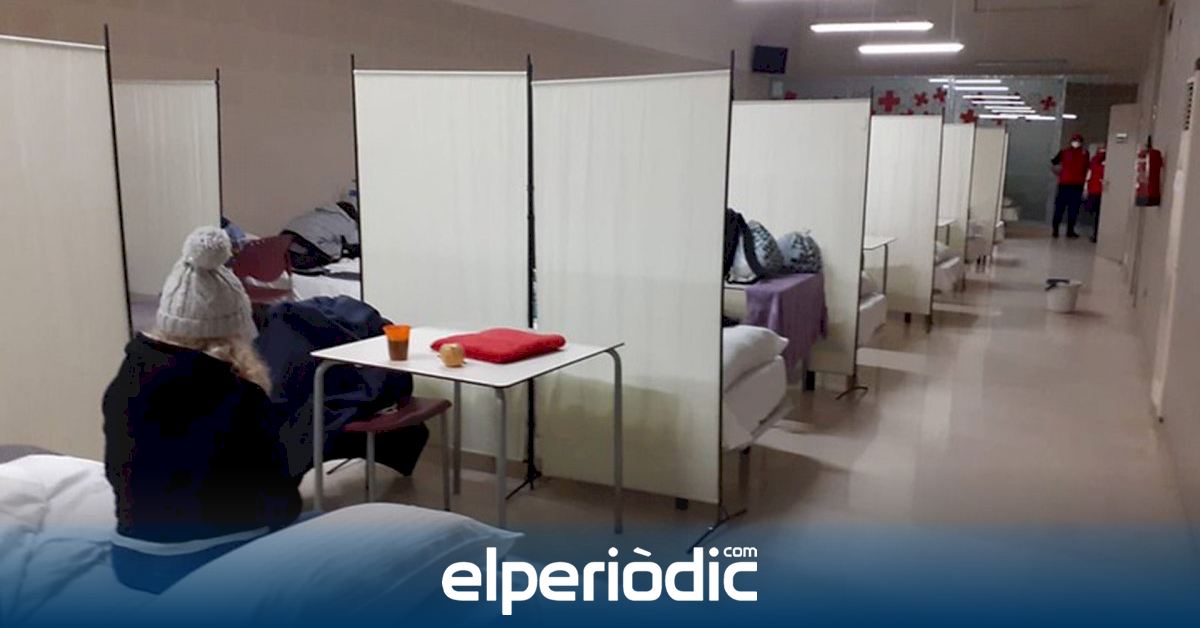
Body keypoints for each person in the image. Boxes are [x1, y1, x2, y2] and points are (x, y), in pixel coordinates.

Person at [103, 226, 301, 593]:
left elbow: (118, 472)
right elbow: (281, 500)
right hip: (214, 562)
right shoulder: (241, 396)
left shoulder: (123, 385)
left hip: (129, 559)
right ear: (236, 329)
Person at [1050, 134, 1090, 239]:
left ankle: (1069, 231)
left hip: (1076, 185)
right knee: (1061, 209)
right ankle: (1056, 230)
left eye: (1078, 141)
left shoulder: (1084, 153)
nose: (1076, 143)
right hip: (1066, 184)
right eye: (1075, 141)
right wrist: (1058, 172)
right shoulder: (1064, 152)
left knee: (1072, 210)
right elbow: (1054, 163)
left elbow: (1087, 168)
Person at [1086, 146, 1107, 243]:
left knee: (1097, 215)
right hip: (1103, 191)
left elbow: (1089, 175)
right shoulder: (1109, 160)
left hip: (1094, 191)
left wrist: (1086, 189)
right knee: (1100, 215)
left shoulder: (1094, 160)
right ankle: (1098, 235)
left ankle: (1096, 235)